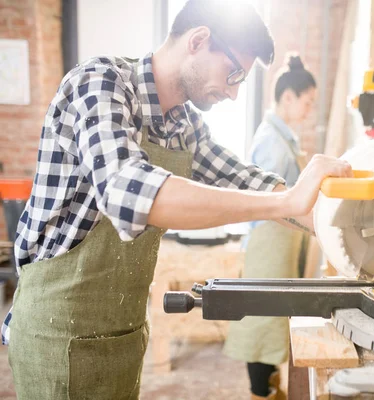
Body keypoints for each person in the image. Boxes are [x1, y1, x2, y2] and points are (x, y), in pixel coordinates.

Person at [1, 1, 351, 399]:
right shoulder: (100, 84)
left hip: (121, 335)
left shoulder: (185, 125)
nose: (235, 94)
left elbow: (247, 181)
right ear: (198, 40)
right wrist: (286, 202)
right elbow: (129, 191)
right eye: (233, 73)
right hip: (55, 329)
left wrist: (339, 224)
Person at [223, 54, 317, 400]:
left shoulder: (285, 138)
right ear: (288, 97)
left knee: (273, 316)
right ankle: (258, 393)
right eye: (307, 102)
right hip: (269, 239)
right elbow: (260, 198)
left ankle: (269, 387)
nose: (309, 110)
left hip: (282, 240)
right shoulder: (272, 141)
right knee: (261, 318)